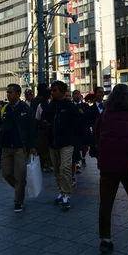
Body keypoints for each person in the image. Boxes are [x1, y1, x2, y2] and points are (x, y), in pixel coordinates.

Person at [94, 84, 128, 253]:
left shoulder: (104, 115)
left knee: (106, 203)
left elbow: (95, 134)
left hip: (108, 165)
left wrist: (101, 152)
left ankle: (105, 238)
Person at [0, 84, 38, 212]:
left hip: (21, 147)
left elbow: (32, 128)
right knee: (6, 173)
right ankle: (20, 187)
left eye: (10, 92)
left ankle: (18, 201)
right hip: (6, 146)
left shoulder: (25, 109)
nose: (8, 95)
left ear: (18, 93)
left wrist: (33, 146)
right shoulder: (5, 108)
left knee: (20, 174)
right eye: (7, 92)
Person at [41, 81, 80, 210]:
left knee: (65, 168)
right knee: (57, 170)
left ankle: (66, 195)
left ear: (62, 92)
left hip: (67, 143)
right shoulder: (50, 106)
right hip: (53, 143)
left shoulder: (70, 107)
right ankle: (61, 192)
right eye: (52, 90)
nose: (52, 92)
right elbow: (43, 120)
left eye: (55, 90)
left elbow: (78, 126)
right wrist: (45, 124)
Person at [35, 84, 54, 172]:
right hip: (50, 129)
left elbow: (37, 118)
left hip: (43, 129)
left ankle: (44, 164)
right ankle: (49, 164)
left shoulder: (39, 104)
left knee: (43, 147)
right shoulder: (53, 104)